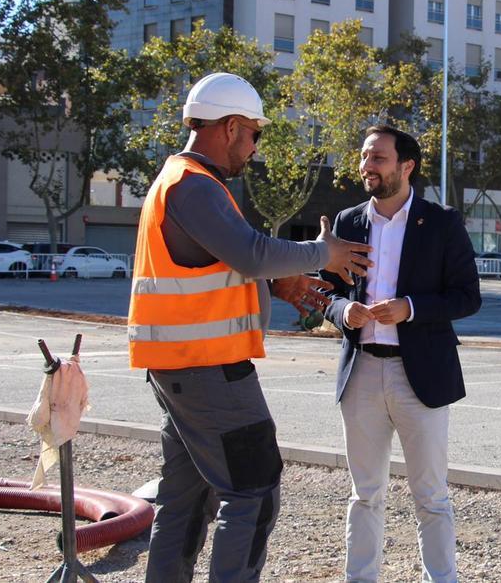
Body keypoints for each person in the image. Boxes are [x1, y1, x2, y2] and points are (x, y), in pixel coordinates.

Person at [128, 72, 374, 582]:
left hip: (182, 369)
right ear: (231, 127)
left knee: (185, 499)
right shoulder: (194, 186)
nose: (255, 146)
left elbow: (221, 264)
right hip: (209, 370)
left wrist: (276, 286)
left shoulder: (181, 181)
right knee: (253, 494)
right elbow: (252, 252)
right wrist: (322, 253)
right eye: (255, 134)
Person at [321, 124, 481, 583]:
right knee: (364, 494)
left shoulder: (442, 222)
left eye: (378, 158)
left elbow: (467, 297)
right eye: (364, 156)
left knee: (431, 495)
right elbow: (326, 292)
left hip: (421, 377)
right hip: (361, 372)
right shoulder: (348, 222)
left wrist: (409, 308)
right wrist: (343, 310)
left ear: (406, 166)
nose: (366, 166)